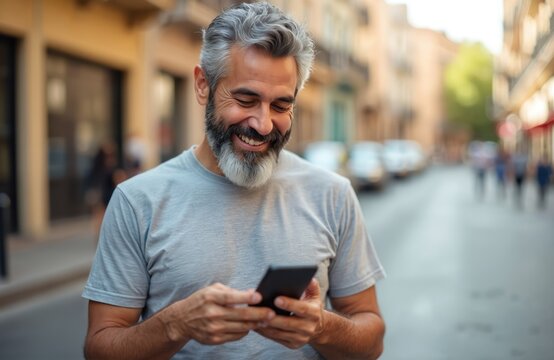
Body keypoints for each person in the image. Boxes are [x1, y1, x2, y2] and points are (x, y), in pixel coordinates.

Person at [82, 3, 386, 360]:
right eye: (246, 99)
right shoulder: (137, 201)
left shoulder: (334, 194)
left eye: (280, 106)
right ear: (202, 86)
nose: (263, 124)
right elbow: (99, 348)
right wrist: (176, 324)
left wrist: (320, 326)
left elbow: (372, 341)